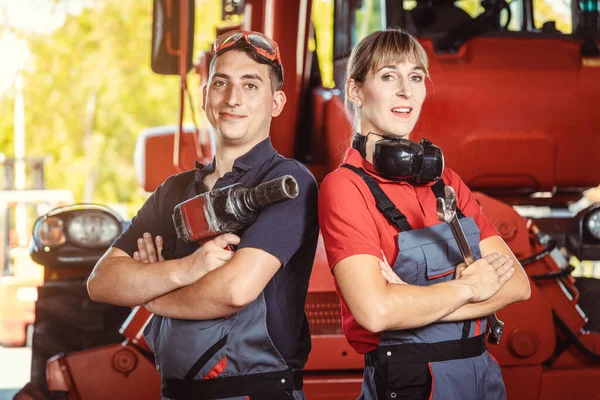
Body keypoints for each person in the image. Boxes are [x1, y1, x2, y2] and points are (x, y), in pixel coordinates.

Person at [87, 30, 319, 400]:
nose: (233, 99)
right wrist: (187, 269)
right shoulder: (174, 192)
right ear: (204, 97)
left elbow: (235, 289)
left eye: (250, 85)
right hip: (176, 392)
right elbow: (102, 282)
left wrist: (152, 294)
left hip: (255, 392)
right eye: (221, 84)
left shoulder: (288, 183)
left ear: (276, 103)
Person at [318, 29, 531, 400]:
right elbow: (375, 312)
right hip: (412, 379)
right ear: (354, 90)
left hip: (482, 376)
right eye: (389, 76)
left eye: (416, 77)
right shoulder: (344, 188)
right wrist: (470, 287)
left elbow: (517, 285)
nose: (407, 90)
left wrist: (415, 301)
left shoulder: (445, 181)